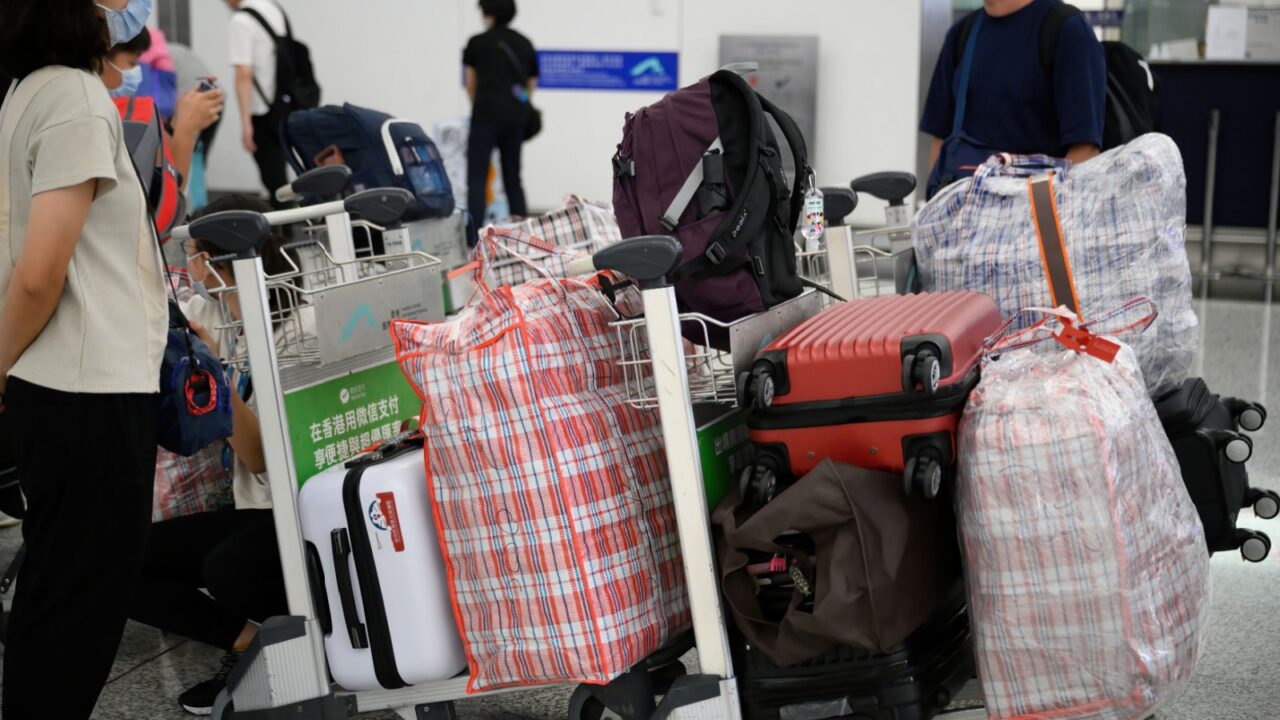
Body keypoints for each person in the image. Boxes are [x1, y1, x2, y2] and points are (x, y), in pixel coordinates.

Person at [0, 1, 167, 718]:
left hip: (60, 384)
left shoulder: (26, 89)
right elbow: (41, 273)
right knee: (81, 608)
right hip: (89, 385)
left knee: (56, 590)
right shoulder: (73, 96)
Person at [131, 195, 304, 716]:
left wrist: (209, 372)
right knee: (120, 559)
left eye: (195, 253)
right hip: (251, 510)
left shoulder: (300, 331)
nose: (187, 266)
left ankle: (296, 646)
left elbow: (263, 459)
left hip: (295, 511)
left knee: (226, 569)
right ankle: (253, 644)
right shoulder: (212, 310)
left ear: (214, 259)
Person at [920, 0, 1106, 196]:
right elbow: (940, 142)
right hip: (963, 216)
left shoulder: (1066, 29)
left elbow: (1084, 153)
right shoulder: (962, 35)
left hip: (1036, 215)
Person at [101, 27, 226, 195]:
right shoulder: (112, 116)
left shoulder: (126, 109)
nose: (136, 73)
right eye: (132, 63)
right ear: (101, 59)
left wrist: (179, 124)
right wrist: (185, 129)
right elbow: (170, 193)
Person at [464, 0, 537, 222]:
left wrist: (480, 105)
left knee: (477, 177)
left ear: (489, 13)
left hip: (484, 115)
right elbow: (530, 84)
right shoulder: (524, 43)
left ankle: (473, 237)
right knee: (512, 176)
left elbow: (470, 83)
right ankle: (522, 231)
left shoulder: (477, 43)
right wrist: (519, 104)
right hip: (514, 118)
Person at [224, 0, 290, 200]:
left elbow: (243, 73)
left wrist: (245, 124)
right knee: (282, 176)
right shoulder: (273, 7)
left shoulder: (241, 20)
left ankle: (284, 228)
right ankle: (290, 226)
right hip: (284, 104)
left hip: (261, 110)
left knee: (274, 182)